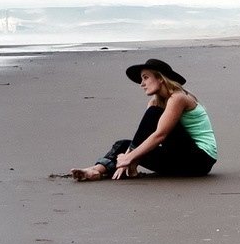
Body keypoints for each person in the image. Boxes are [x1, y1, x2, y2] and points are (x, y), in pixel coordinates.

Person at [68, 57, 217, 180]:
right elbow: (144, 135)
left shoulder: (179, 98)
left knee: (151, 117)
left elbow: (160, 135)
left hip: (200, 161)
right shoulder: (155, 101)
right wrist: (130, 154)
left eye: (146, 78)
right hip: (179, 161)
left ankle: (124, 165)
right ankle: (96, 170)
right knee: (123, 144)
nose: (142, 84)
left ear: (160, 79)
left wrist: (130, 157)